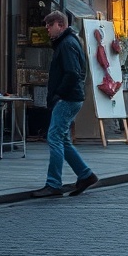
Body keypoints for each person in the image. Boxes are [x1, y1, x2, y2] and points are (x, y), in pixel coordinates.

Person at [32, 11, 98, 198]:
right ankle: (85, 175)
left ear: (60, 25)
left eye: (49, 26)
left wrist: (59, 94)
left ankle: (53, 183)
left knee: (54, 138)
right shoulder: (69, 42)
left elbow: (72, 72)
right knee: (63, 139)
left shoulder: (67, 44)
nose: (47, 30)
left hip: (67, 98)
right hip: (72, 97)